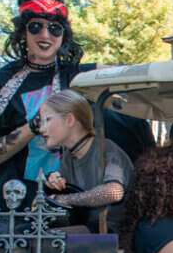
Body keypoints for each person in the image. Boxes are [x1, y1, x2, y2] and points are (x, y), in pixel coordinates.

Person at [0, 0, 150, 211]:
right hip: (17, 207)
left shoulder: (81, 78)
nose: (45, 35)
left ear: (63, 35)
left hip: (74, 205)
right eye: (36, 27)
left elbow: (135, 75)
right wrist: (34, 127)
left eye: (54, 28)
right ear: (23, 32)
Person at [40, 89, 132, 233]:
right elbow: (65, 191)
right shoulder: (69, 157)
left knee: (48, 238)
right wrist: (53, 180)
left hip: (115, 231)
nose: (41, 129)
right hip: (89, 228)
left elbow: (114, 192)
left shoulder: (105, 148)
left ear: (69, 120)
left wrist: (66, 199)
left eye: (47, 120)